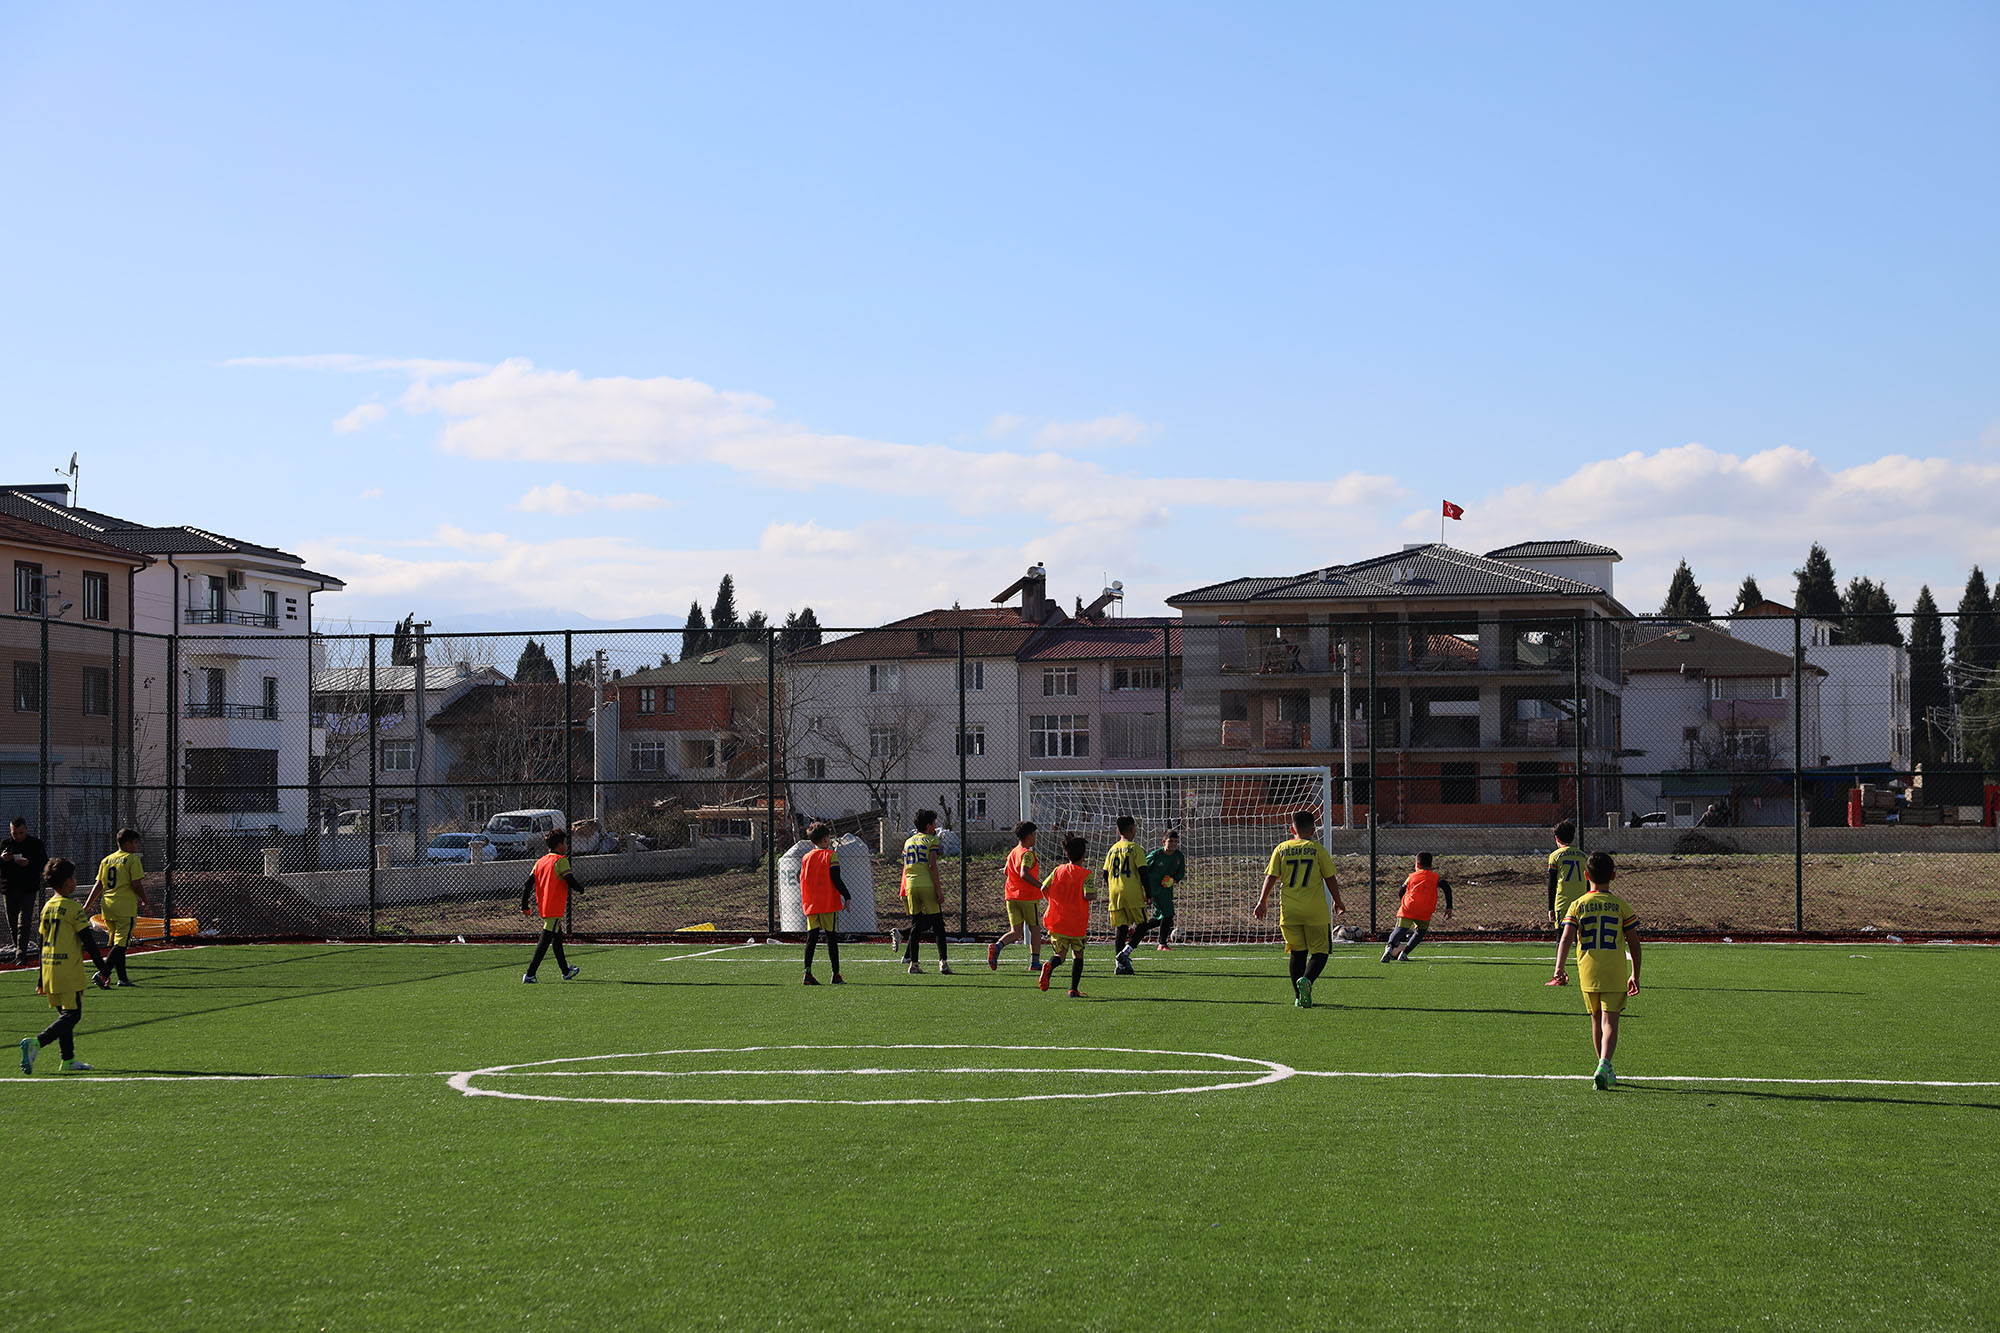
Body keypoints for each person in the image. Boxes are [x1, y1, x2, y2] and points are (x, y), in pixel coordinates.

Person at [1549, 852, 1642, 1090]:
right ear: (1613, 876)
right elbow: (1634, 943)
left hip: (1588, 972)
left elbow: (1567, 938)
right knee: (1610, 1021)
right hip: (1614, 971)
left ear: (1586, 875)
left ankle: (1602, 1065)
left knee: (1595, 1020)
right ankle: (1604, 1064)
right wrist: (1635, 974)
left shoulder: (1578, 904)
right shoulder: (1621, 905)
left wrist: (1559, 967)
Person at [19, 858, 111, 1075]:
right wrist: (104, 969)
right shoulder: (73, 908)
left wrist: (41, 977)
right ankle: (37, 1042)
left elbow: (41, 944)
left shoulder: (47, 907)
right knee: (73, 1015)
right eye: (73, 877)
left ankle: (68, 1059)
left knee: (65, 1015)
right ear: (67, 881)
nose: (75, 881)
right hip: (68, 969)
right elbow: (88, 941)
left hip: (51, 968)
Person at [1252, 809, 1346, 1008]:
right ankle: (1308, 981)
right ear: (1313, 830)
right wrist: (1337, 900)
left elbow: (1270, 877)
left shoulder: (1281, 848)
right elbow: (1330, 877)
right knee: (1320, 953)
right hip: (1315, 911)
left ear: (1290, 829)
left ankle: (1298, 996)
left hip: (1290, 911)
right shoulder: (1318, 850)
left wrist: (1262, 902)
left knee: (1297, 953)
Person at [81, 827, 146, 987]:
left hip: (108, 907)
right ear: (128, 843)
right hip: (125, 906)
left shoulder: (106, 860)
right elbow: (136, 883)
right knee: (121, 943)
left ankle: (123, 978)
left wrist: (87, 905)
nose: (137, 846)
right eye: (135, 843)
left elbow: (99, 884)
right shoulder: (132, 859)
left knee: (119, 943)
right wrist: (145, 898)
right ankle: (103, 972)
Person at [519, 829, 582, 983]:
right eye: (565, 842)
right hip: (554, 907)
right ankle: (530, 974)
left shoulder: (540, 861)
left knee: (557, 939)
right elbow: (569, 879)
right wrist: (580, 888)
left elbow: (528, 884)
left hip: (545, 906)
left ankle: (566, 971)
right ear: (560, 845)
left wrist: (524, 905)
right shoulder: (561, 860)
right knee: (545, 940)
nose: (566, 845)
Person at [1037, 834, 1093, 998]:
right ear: (1084, 855)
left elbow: (1043, 888)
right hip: (1077, 923)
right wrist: (1093, 894)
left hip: (1058, 921)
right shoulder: (1085, 874)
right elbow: (1088, 894)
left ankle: (1049, 965)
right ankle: (1073, 989)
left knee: (1060, 955)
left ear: (1067, 854)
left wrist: (1053, 901)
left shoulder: (1057, 870)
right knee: (1078, 955)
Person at [899, 810, 950, 975]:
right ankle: (943, 962)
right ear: (928, 826)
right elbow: (932, 865)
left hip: (911, 885)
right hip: (927, 884)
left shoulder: (908, 842)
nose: (935, 827)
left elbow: (906, 867)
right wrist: (939, 889)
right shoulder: (932, 840)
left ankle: (913, 964)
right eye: (934, 823)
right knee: (938, 925)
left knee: (916, 924)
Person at [988, 821, 1043, 974]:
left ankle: (997, 946)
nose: (1035, 837)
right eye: (1034, 834)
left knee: (1016, 932)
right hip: (1027, 897)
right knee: (1035, 929)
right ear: (1029, 836)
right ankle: (1035, 962)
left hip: (1011, 896)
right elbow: (1024, 873)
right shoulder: (1027, 854)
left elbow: (1006, 870)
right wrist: (1040, 885)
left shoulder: (1013, 852)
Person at [799, 822, 850, 985]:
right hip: (827, 903)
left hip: (811, 904)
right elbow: (836, 879)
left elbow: (801, 879)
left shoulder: (806, 857)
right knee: (831, 938)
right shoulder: (830, 855)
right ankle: (835, 974)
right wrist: (847, 895)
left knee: (811, 938)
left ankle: (807, 973)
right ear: (825, 839)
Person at [1380, 852, 1453, 962]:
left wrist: (1405, 901)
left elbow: (1401, 891)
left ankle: (1389, 947)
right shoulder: (1434, 877)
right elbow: (1446, 886)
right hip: (1425, 909)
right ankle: (1404, 954)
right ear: (1431, 865)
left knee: (1400, 929)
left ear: (1417, 865)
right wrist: (1449, 907)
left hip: (1409, 907)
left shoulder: (1411, 877)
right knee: (1420, 931)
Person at [1103, 815, 1147, 975]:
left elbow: (1104, 873)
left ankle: (1118, 966)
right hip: (1132, 892)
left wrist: (1114, 886)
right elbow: (1143, 871)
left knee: (1121, 929)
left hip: (1115, 894)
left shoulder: (1112, 849)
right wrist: (1148, 893)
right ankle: (1125, 953)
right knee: (1143, 925)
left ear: (1118, 830)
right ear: (1132, 829)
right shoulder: (1135, 848)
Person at [1129, 828, 1185, 952]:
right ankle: (1162, 944)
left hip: (1165, 890)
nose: (1173, 844)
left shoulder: (1179, 856)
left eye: (1176, 842)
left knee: (1161, 918)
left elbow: (1180, 873)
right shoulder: (1156, 855)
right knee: (1167, 915)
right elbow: (1142, 870)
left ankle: (1138, 929)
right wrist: (1143, 888)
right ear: (1163, 842)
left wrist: (1173, 880)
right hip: (1152, 889)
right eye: (1171, 841)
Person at [2, 816, 47, 959]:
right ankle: (18, 950)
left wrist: (28, 863)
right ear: (11, 831)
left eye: (21, 833)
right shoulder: (5, 844)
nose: (18, 836)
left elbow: (44, 864)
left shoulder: (35, 844)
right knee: (13, 923)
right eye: (15, 833)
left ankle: (21, 954)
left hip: (28, 889)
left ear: (26, 830)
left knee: (24, 921)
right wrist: (2, 859)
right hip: (9, 889)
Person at [1546, 819, 1587, 935]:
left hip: (1563, 904)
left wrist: (1550, 908)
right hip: (1581, 903)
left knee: (1562, 938)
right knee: (1581, 939)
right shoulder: (1583, 856)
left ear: (1557, 838)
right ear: (1574, 837)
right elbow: (1589, 881)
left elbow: (1552, 883)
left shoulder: (1555, 856)